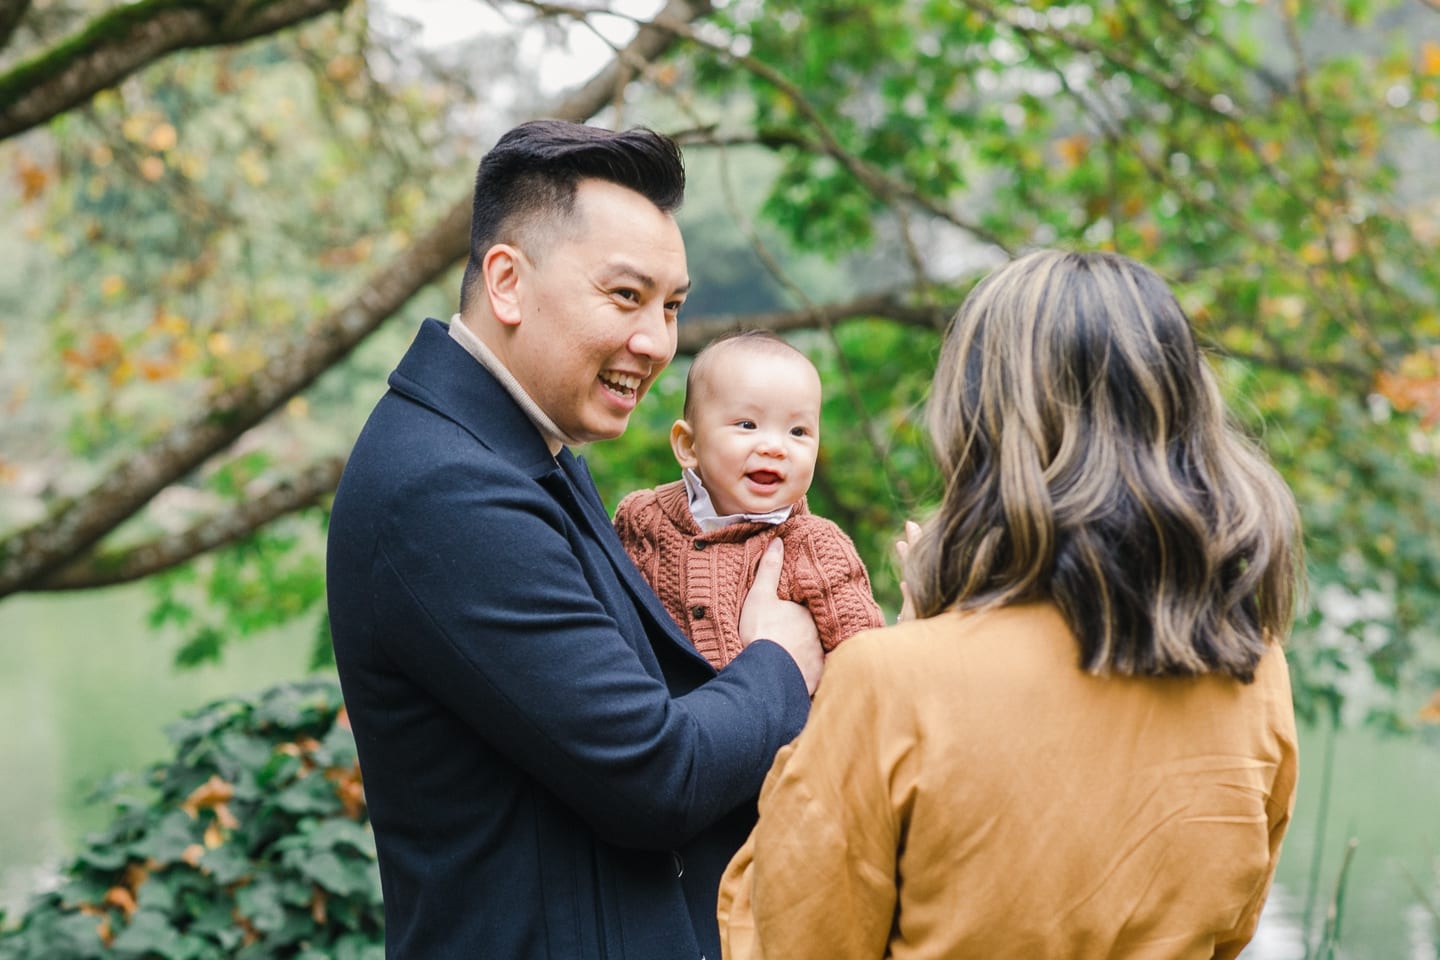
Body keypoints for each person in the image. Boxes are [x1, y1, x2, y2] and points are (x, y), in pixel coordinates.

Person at [326, 119, 823, 960]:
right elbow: (654, 775)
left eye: (671, 307)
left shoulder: (519, 446)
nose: (656, 343)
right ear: (508, 282)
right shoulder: (447, 488)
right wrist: (779, 658)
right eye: (626, 297)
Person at [717, 249, 1303, 960]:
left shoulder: (890, 682)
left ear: (981, 432)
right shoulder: (1256, 668)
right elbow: (1229, 931)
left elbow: (782, 939)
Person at [613, 330, 886, 671]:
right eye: (748, 424)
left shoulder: (816, 547)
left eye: (798, 431)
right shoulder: (641, 519)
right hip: (659, 717)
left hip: (784, 721)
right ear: (688, 445)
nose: (774, 446)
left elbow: (864, 655)